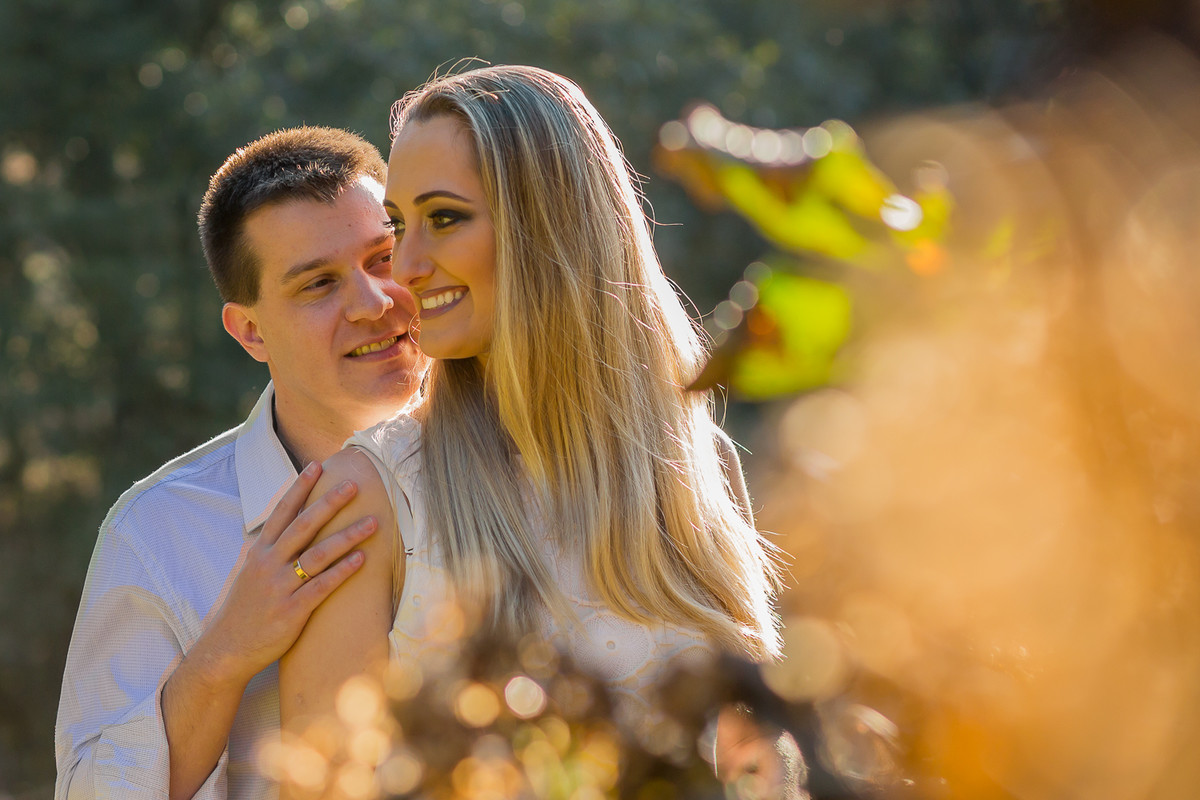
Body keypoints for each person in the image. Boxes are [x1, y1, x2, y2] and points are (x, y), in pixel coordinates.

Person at [277, 66, 781, 748]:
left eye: (445, 218)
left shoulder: (696, 461)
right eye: (400, 226)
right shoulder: (368, 496)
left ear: (548, 226)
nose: (406, 267)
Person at [54, 126, 425, 800]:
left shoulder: (530, 467)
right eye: (319, 284)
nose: (374, 303)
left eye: (383, 258)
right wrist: (225, 654)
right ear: (251, 331)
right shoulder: (155, 534)